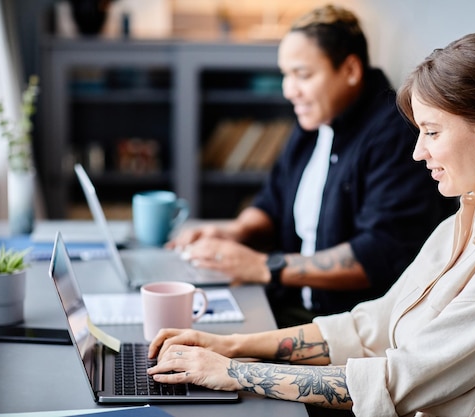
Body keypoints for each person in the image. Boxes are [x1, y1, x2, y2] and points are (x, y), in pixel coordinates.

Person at [148, 32, 475, 416]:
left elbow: (396, 382)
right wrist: (231, 345)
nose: (417, 152)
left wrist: (234, 372)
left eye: (431, 132)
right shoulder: (468, 219)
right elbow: (371, 325)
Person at [167, 5, 456, 328]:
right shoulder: (315, 122)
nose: (289, 90)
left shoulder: (393, 134)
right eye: (285, 75)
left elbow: (380, 254)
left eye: (302, 75)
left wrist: (265, 266)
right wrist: (238, 231)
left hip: (348, 326)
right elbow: (273, 198)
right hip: (291, 304)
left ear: (349, 70)